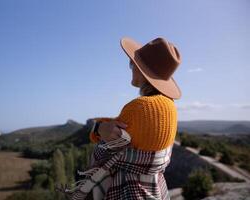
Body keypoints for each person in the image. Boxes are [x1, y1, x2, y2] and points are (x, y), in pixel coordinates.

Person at [57, 36, 182, 200]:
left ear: (142, 70)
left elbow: (104, 151)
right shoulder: (170, 107)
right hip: (154, 189)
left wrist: (97, 128)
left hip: (128, 191)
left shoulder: (140, 107)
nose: (130, 67)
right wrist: (100, 126)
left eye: (132, 63)